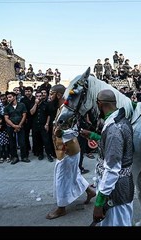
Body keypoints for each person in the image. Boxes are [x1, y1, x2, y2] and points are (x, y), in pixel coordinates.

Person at [82, 89, 134, 226]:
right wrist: (92, 136)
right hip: (116, 188)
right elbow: (114, 146)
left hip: (115, 192)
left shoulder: (114, 129)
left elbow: (112, 169)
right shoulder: (120, 120)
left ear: (99, 104)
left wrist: (99, 203)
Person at [46, 84, 96, 220]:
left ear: (58, 95)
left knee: (62, 178)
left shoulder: (68, 111)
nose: (49, 96)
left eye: (51, 94)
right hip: (62, 150)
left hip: (68, 151)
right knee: (74, 175)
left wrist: (61, 132)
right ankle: (90, 191)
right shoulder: (61, 109)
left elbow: (75, 130)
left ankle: (61, 208)